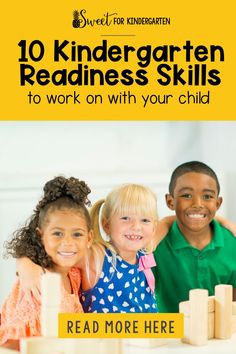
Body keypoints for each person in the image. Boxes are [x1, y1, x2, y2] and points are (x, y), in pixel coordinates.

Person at [15, 183, 171, 314]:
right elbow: (54, 251)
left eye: (145, 220)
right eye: (125, 218)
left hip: (146, 344)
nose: (136, 227)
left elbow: (166, 223)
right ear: (107, 225)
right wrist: (27, 267)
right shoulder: (97, 256)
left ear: (153, 227)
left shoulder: (146, 251)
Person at [0, 176, 93, 350]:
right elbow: (11, 345)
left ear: (89, 238)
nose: (67, 242)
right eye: (57, 233)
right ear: (40, 235)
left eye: (77, 234)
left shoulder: (74, 275)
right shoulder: (36, 284)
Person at [152, 161, 236, 313]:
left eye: (207, 196)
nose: (197, 204)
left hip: (221, 334)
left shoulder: (232, 243)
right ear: (170, 202)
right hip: (170, 334)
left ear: (218, 203)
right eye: (186, 195)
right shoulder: (155, 245)